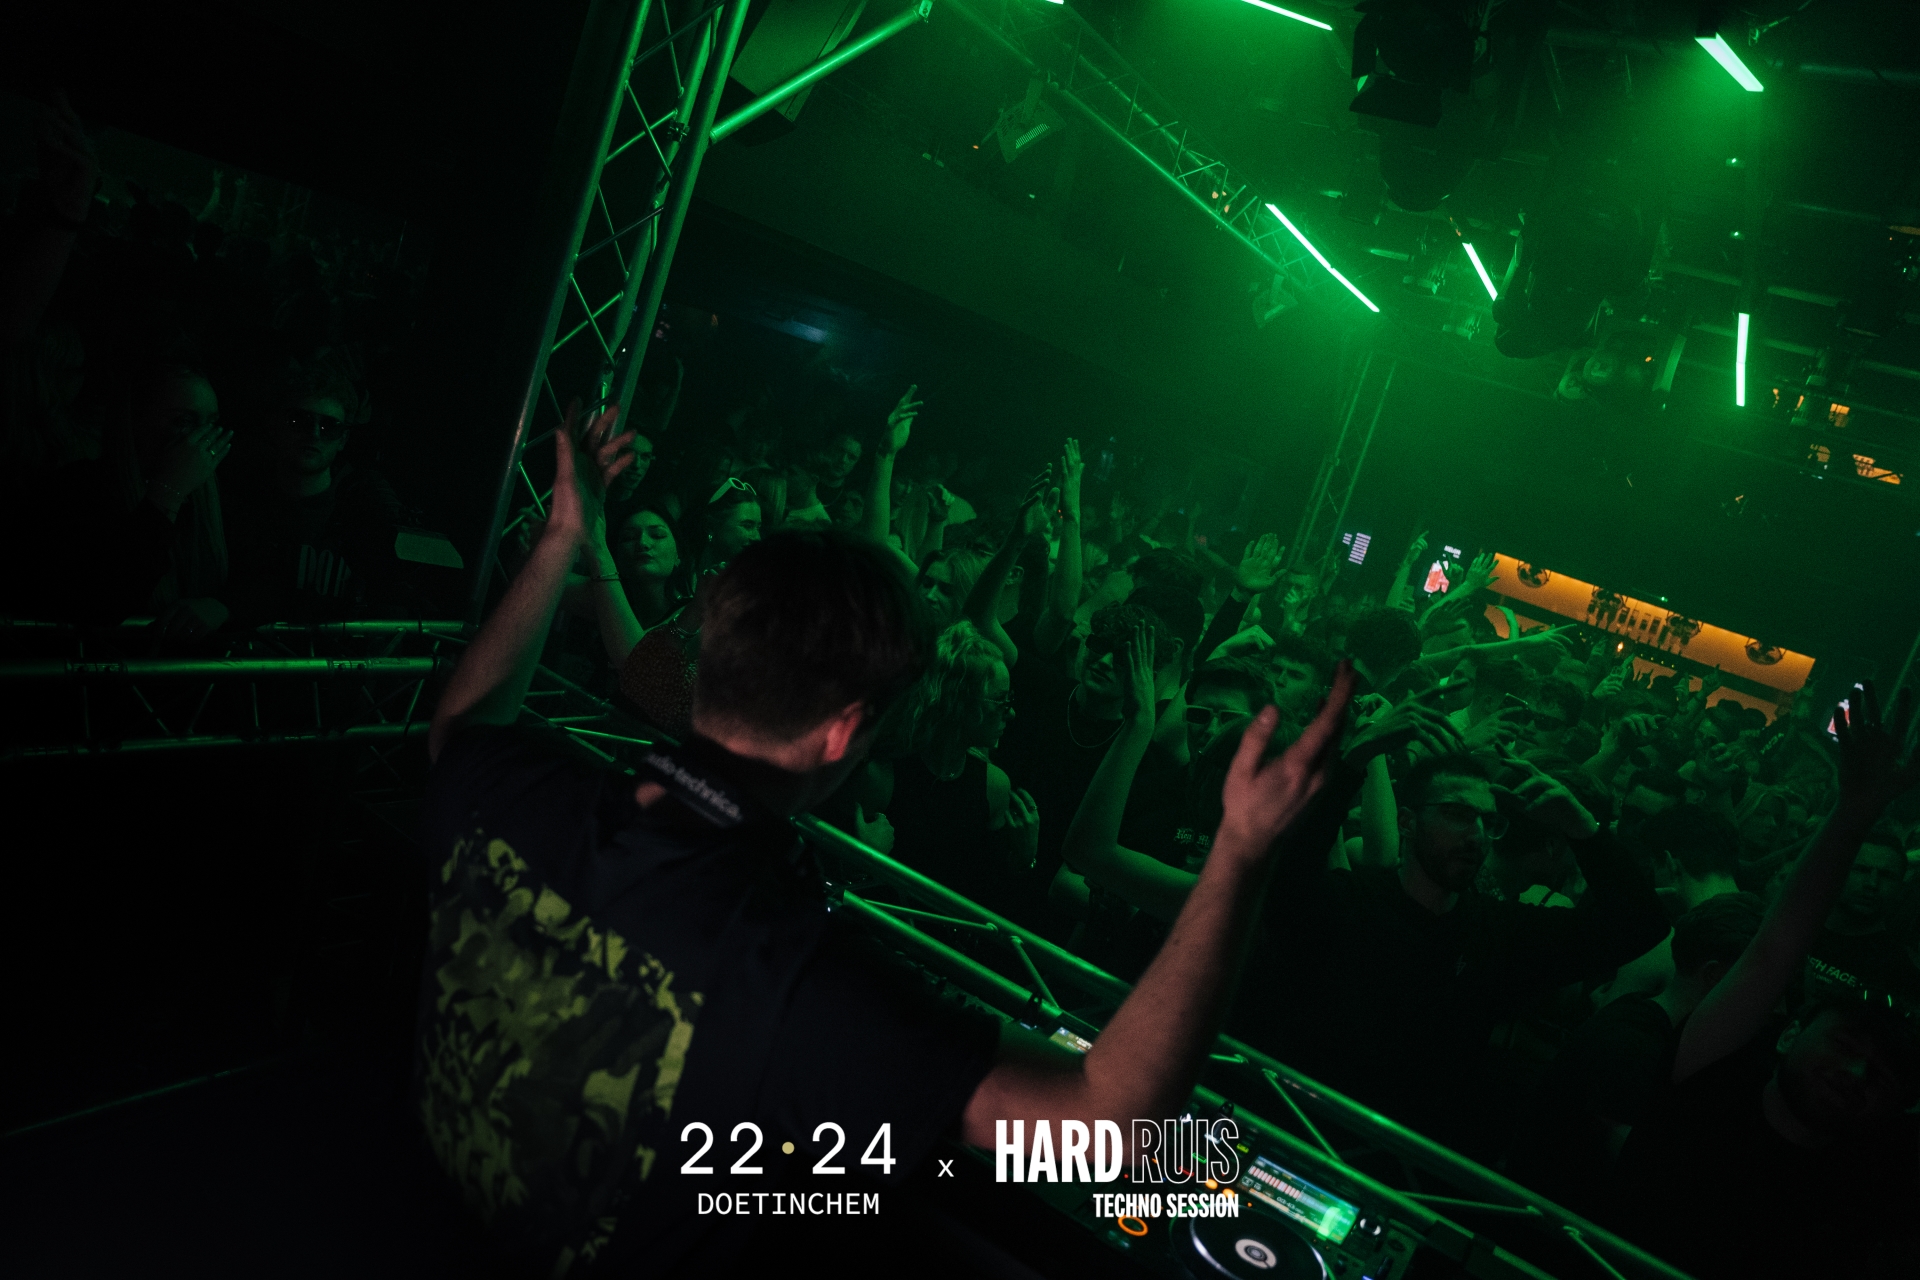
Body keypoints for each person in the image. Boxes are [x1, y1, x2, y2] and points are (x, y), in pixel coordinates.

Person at [418, 401, 1363, 1274]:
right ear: (844, 732)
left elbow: (461, 722)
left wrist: (565, 535)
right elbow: (1102, 1121)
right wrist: (1239, 860)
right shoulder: (807, 979)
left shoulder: (529, 792)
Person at [1609, 685, 1920, 1279]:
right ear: (1788, 1032)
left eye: (1883, 1073)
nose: (1858, 1072)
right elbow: (1775, 949)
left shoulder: (1875, 1178)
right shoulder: (1712, 1076)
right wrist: (1855, 811)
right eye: (1845, 1045)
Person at [1238, 749, 1670, 1158]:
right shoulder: (1349, 901)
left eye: (1488, 821)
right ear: (1407, 821)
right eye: (1458, 814)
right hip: (1295, 1135)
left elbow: (1639, 925)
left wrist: (1583, 829)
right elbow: (1281, 880)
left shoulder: (1500, 933)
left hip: (1412, 1169)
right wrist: (1351, 766)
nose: (1476, 833)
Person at [1504, 892, 1762, 1216]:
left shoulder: (1642, 1019)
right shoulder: (1634, 1048)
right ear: (1715, 975)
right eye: (1760, 980)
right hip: (1541, 1234)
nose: (1770, 1000)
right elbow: (1640, 1185)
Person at [21, 360, 233, 635]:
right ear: (135, 421)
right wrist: (168, 493)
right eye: (184, 421)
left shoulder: (220, 495)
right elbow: (104, 601)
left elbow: (269, 574)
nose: (202, 439)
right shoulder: (76, 491)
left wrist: (223, 605)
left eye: (211, 423)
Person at [861, 621, 1038, 919]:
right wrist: (863, 856)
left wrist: (1025, 857)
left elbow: (990, 898)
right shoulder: (883, 775)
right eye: (1001, 699)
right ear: (959, 702)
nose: (1011, 712)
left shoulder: (993, 786)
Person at [223, 350, 405, 623]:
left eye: (329, 426)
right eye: (300, 421)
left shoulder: (365, 512)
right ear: (275, 425)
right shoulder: (240, 504)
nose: (314, 434)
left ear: (343, 439)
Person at [1802, 826, 1920, 1004]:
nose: (1872, 883)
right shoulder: (1794, 930)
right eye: (1861, 870)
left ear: (1900, 887)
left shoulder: (1900, 970)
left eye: (1886, 875)